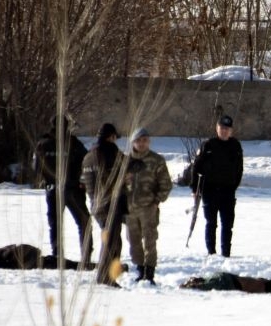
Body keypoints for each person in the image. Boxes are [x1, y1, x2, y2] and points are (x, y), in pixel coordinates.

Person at [34, 115, 92, 266]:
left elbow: (37, 168)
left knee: (55, 224)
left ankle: (57, 256)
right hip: (72, 190)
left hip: (53, 190)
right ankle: (86, 257)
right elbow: (87, 161)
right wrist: (82, 180)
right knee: (84, 222)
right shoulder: (73, 143)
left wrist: (46, 180)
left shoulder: (43, 144)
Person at [81, 123, 128, 287]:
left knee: (113, 239)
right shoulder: (110, 151)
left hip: (95, 204)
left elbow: (85, 181)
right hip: (110, 204)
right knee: (112, 241)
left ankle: (109, 272)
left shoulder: (88, 156)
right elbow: (127, 167)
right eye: (115, 137)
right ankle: (105, 276)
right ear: (111, 137)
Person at [190, 115, 244, 257]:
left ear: (231, 130)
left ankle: (226, 253)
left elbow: (239, 169)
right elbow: (196, 168)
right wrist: (195, 188)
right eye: (222, 128)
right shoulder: (208, 145)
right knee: (211, 223)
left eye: (227, 129)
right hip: (210, 190)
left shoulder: (235, 146)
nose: (224, 131)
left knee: (227, 224)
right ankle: (211, 252)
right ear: (217, 128)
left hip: (228, 191)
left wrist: (233, 186)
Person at [125, 128, 173, 284]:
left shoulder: (156, 160)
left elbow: (165, 184)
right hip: (130, 209)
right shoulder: (125, 161)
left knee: (150, 240)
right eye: (138, 140)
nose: (141, 143)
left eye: (144, 140)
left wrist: (157, 200)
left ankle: (149, 271)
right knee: (134, 241)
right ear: (133, 142)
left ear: (149, 141)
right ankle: (140, 269)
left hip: (148, 208)